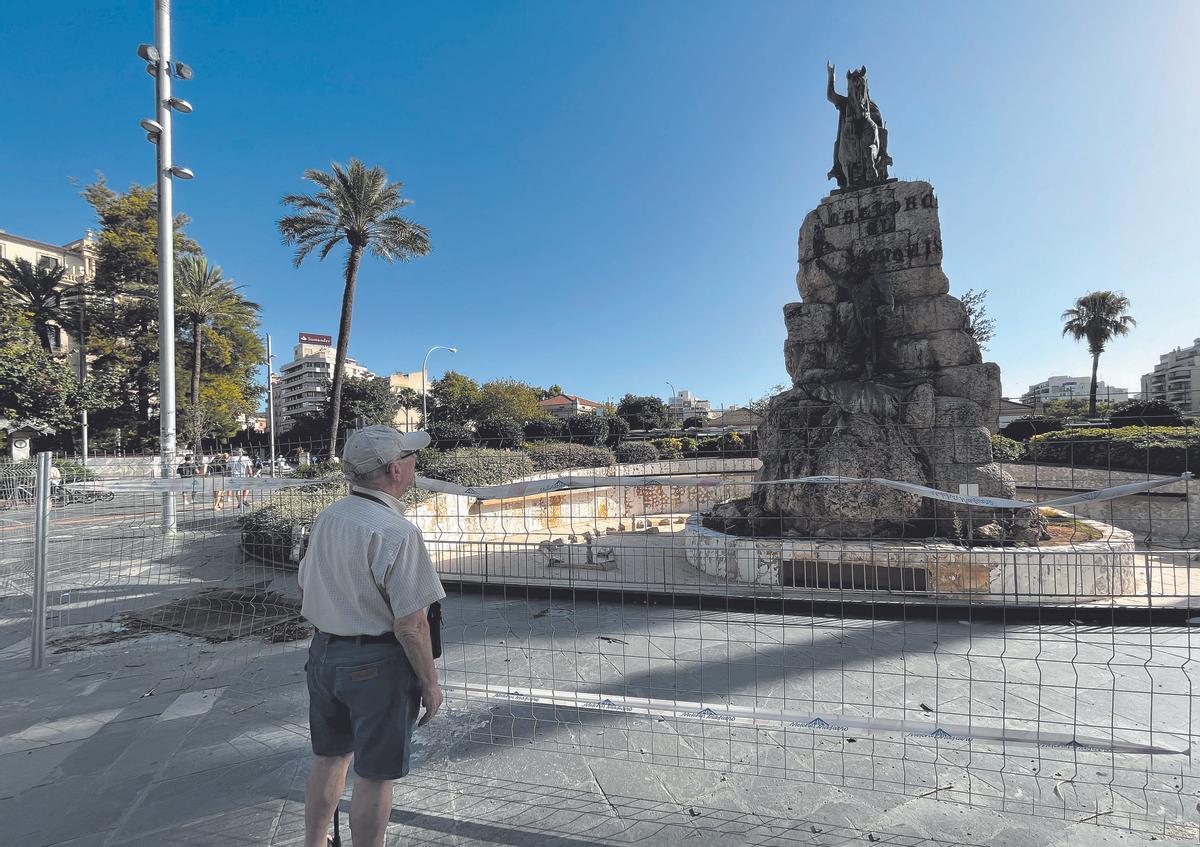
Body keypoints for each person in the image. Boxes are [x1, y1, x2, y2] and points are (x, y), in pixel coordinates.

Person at [298, 426, 444, 847]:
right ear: (396, 470)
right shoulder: (398, 531)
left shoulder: (328, 517)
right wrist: (430, 685)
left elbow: (306, 586)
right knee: (376, 776)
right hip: (377, 666)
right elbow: (411, 624)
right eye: (412, 457)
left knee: (329, 758)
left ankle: (314, 842)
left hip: (324, 655)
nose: (417, 463)